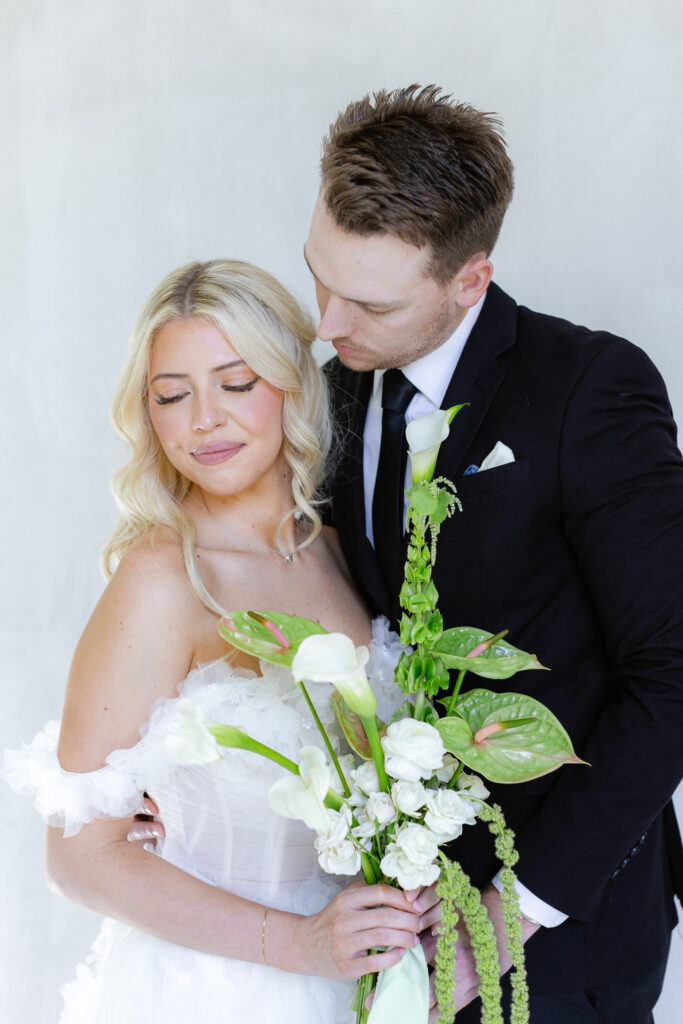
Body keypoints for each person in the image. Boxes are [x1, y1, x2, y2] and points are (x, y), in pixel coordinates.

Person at [300, 85, 683, 1022]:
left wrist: (511, 915)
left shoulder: (588, 388)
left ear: (469, 281)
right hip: (383, 923)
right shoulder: (333, 389)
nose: (326, 325)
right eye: (319, 275)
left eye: (369, 302)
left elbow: (673, 671)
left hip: (560, 940)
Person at [3, 259, 425, 1023]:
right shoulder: (165, 577)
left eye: (236, 384)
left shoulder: (338, 550)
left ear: (294, 385)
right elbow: (78, 856)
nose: (204, 420)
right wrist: (298, 945)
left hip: (358, 985)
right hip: (214, 989)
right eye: (172, 395)